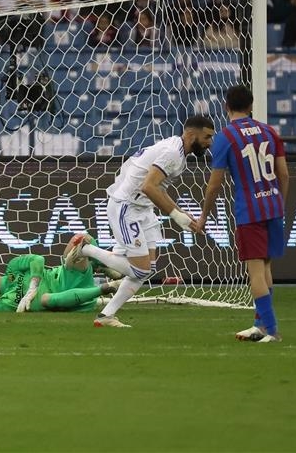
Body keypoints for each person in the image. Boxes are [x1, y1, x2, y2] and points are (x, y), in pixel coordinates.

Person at [66, 115, 216, 328]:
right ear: (192, 134)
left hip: (143, 209)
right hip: (127, 207)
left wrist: (182, 213)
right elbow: (148, 186)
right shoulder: (173, 153)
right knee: (140, 270)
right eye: (207, 137)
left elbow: (158, 188)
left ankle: (106, 315)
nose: (210, 142)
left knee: (147, 268)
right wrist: (176, 216)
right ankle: (85, 249)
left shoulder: (178, 152)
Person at [196, 85, 289, 343]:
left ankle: (271, 330)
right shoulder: (269, 131)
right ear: (251, 105)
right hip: (273, 206)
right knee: (265, 266)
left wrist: (204, 215)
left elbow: (214, 184)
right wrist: (279, 204)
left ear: (226, 106)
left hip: (250, 211)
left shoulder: (225, 137)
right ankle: (260, 325)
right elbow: (284, 174)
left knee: (255, 272)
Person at [0, 234, 122, 314]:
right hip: (73, 300)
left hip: (65, 275)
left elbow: (38, 259)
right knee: (45, 299)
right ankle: (107, 287)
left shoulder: (13, 267)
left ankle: (100, 265)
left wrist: (33, 287)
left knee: (80, 239)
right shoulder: (6, 302)